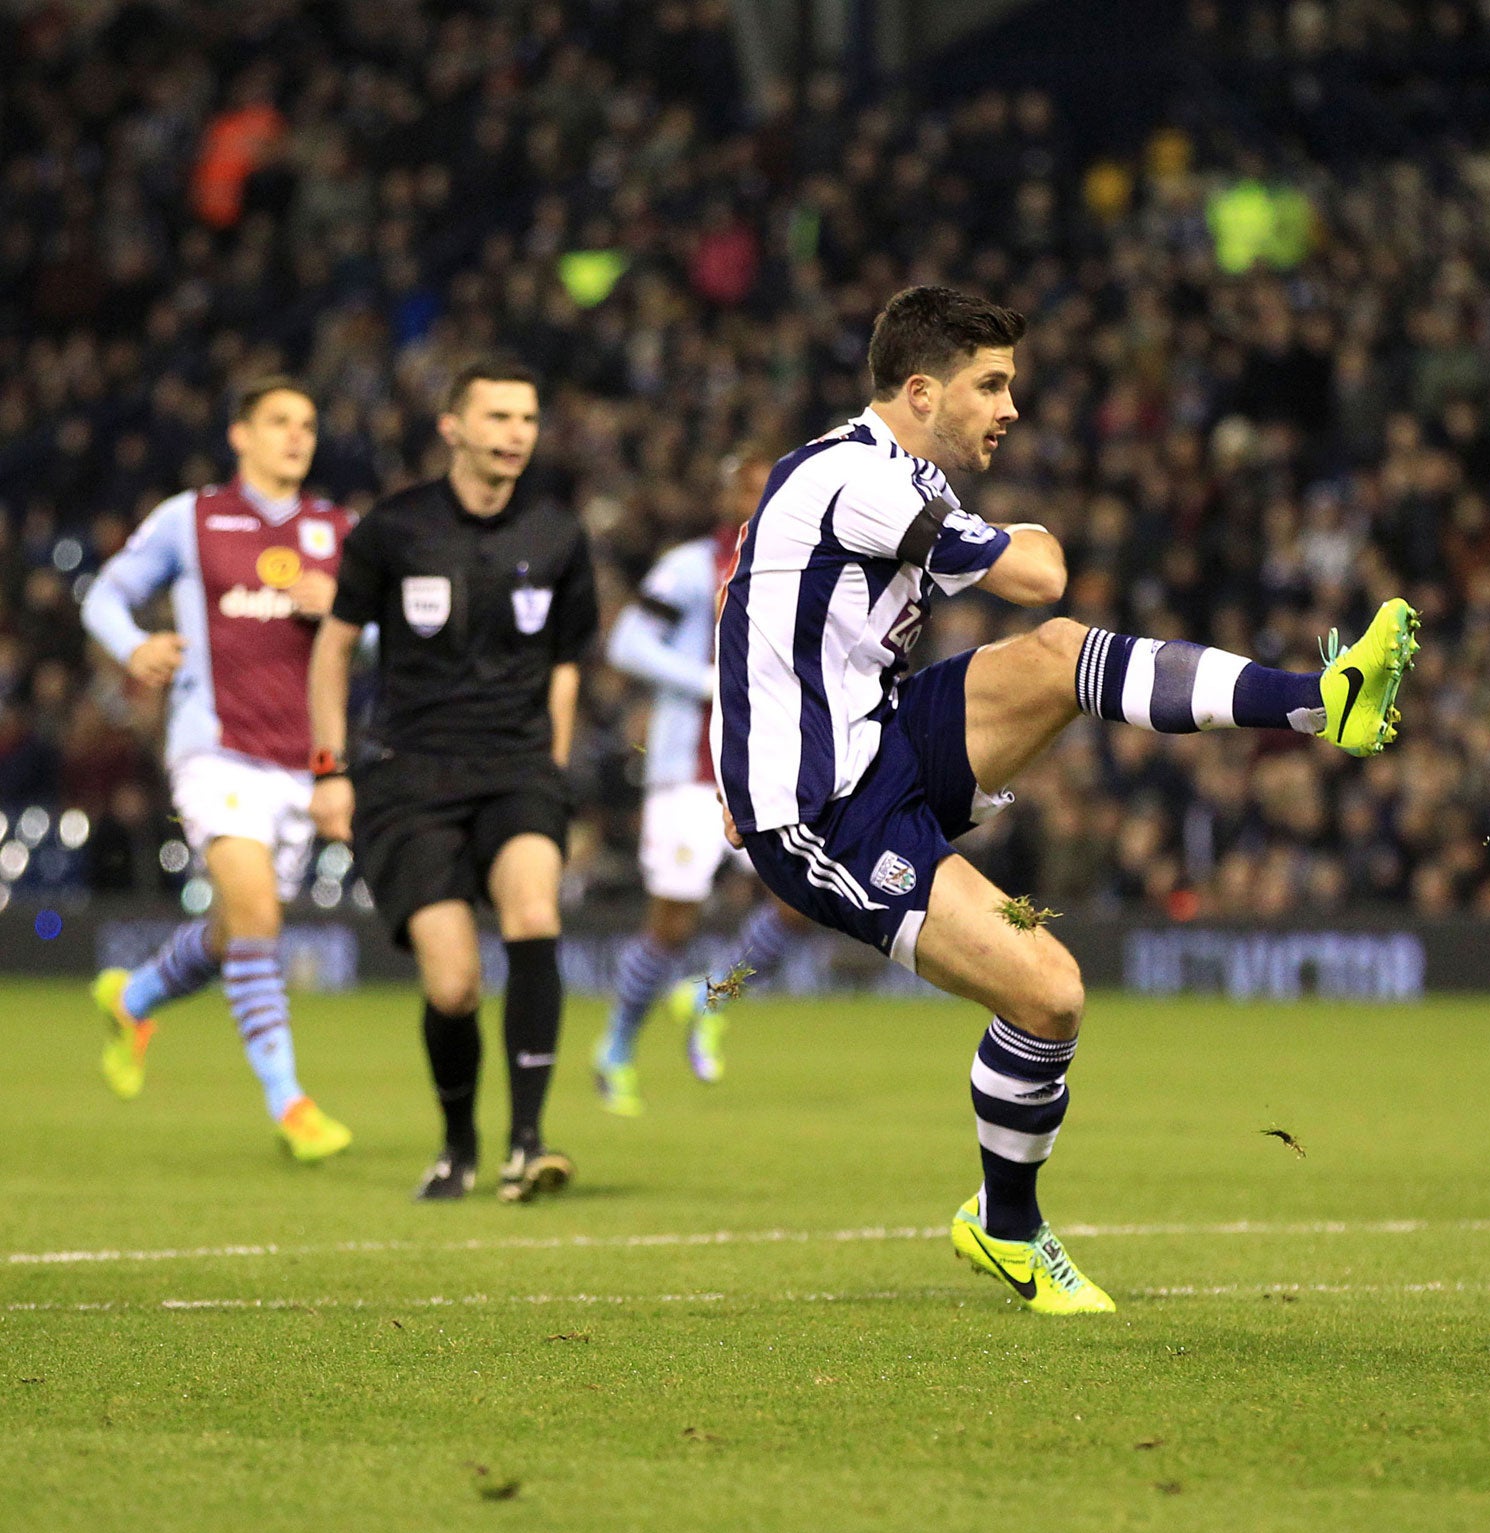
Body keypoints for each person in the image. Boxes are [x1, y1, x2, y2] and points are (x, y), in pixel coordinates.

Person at [714, 286, 1418, 1313]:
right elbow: (1037, 569)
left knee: (1055, 662)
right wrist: (750, 772)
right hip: (825, 811)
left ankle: (1322, 701)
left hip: (885, 740)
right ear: (919, 391)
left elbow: (752, 605)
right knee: (1048, 992)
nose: (1009, 408)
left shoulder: (873, 476)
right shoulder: (859, 483)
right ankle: (1005, 1226)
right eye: (989, 385)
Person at [307, 358, 598, 1202]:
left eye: (529, 419)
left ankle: (529, 1141)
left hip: (515, 768)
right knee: (455, 982)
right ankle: (458, 1143)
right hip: (408, 777)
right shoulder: (393, 529)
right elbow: (331, 649)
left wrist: (553, 761)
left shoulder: (557, 532)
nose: (517, 434)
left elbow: (568, 663)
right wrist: (329, 770)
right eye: (500, 417)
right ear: (453, 428)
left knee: (536, 913)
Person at [80, 376, 354, 1162]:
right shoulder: (191, 517)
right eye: (278, 422)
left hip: (303, 763)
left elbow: (374, 640)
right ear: (241, 434)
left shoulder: (338, 531)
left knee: (239, 930)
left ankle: (131, 999)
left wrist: (338, 606)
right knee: (259, 919)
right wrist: (135, 646)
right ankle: (291, 1104)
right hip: (214, 747)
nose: (296, 437)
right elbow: (105, 593)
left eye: (306, 424)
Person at [592, 441, 810, 1114]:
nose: (763, 501)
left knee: (806, 903)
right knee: (672, 925)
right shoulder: (692, 566)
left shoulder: (805, 571)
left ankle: (711, 995)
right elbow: (626, 642)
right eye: (750, 490)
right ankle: (617, 1049)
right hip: (689, 773)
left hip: (768, 768)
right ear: (729, 498)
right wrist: (711, 682)